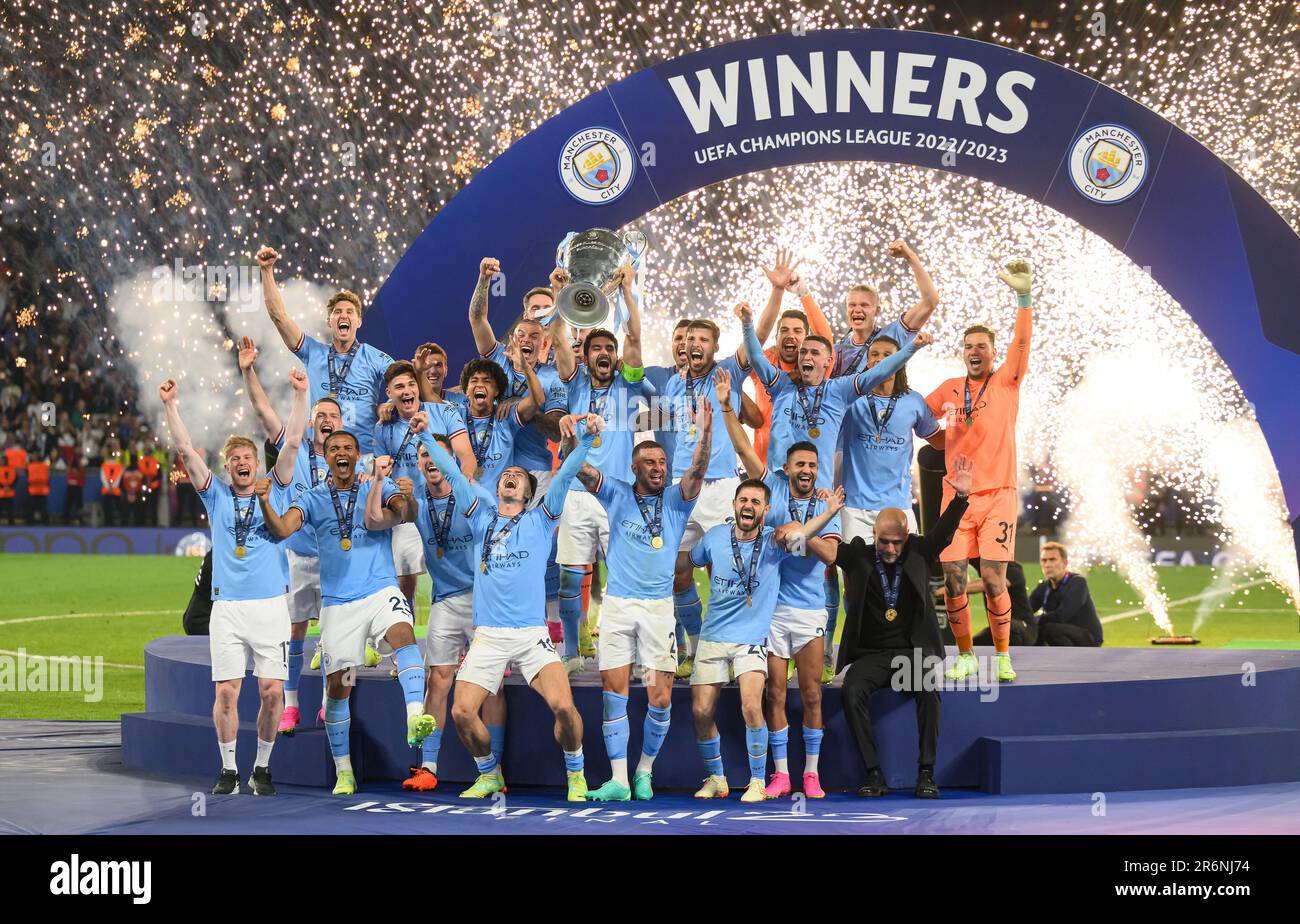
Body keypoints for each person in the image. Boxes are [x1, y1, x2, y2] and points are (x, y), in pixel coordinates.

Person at [413, 412, 600, 802]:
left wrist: (584, 440)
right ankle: (488, 773)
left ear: (529, 493)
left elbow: (564, 476)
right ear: (498, 487)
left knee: (565, 708)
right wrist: (428, 438)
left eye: (518, 475)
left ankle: (576, 773)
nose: (510, 475)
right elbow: (452, 473)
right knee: (462, 712)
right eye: (505, 474)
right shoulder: (481, 518)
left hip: (532, 637)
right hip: (488, 637)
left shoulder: (541, 520)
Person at [258, 431, 438, 796]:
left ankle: (414, 716)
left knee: (404, 633)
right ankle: (345, 772)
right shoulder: (312, 499)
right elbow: (281, 530)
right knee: (338, 686)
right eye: (334, 448)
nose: (341, 453)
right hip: (339, 604)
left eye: (348, 448)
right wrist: (264, 502)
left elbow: (407, 514)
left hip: (380, 589)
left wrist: (405, 497)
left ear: (358, 456)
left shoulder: (377, 486)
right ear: (325, 456)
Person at [159, 373, 306, 796]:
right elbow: (186, 450)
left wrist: (300, 394)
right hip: (227, 610)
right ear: (228, 467)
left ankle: (261, 767)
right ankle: (228, 771)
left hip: (270, 609)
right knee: (227, 693)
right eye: (236, 458)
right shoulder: (216, 495)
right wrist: (171, 405)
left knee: (272, 692)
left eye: (249, 457)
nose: (243, 463)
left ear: (257, 464)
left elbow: (294, 441)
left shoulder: (274, 489)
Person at [568, 395, 713, 802]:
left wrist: (705, 431)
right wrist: (573, 438)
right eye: (650, 463)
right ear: (634, 468)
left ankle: (644, 770)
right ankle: (619, 780)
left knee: (659, 696)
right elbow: (578, 469)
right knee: (613, 692)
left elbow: (698, 469)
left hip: (657, 613)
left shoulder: (675, 502)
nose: (659, 469)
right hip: (617, 609)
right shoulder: (614, 493)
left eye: (663, 463)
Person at [714, 368, 842, 799]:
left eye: (812, 465)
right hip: (770, 612)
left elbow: (831, 555)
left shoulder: (829, 506)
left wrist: (799, 531)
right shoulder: (773, 488)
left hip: (808, 612)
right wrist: (729, 406)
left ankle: (812, 773)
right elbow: (742, 446)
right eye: (800, 464)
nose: (806, 470)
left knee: (810, 696)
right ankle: (782, 773)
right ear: (787, 468)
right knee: (774, 695)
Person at [686, 477, 843, 803]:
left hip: (752, 640)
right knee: (701, 712)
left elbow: (805, 539)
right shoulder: (714, 537)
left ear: (766, 509)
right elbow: (692, 562)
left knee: (751, 705)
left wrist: (829, 514)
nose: (748, 506)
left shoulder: (776, 544)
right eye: (744, 500)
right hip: (713, 637)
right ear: (734, 504)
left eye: (756, 502)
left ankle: (758, 780)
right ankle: (717, 777)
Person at [836, 455, 974, 800]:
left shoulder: (919, 552)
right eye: (884, 541)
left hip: (911, 654)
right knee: (851, 691)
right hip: (872, 655)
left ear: (907, 536)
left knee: (929, 690)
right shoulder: (859, 555)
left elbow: (942, 535)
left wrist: (960, 499)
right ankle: (873, 772)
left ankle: (926, 773)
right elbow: (826, 549)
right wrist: (821, 514)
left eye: (897, 542)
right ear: (873, 535)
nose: (890, 548)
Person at [926, 260, 1034, 684]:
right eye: (969, 345)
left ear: (992, 352)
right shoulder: (949, 389)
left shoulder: (1007, 381)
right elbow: (917, 417)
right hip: (956, 498)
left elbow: (1022, 345)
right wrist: (939, 438)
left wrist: (1023, 299)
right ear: (962, 351)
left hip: (998, 495)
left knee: (991, 578)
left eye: (982, 346)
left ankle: (1003, 656)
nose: (975, 351)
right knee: (953, 577)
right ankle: (967, 655)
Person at [237, 335, 348, 733]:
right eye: (320, 413)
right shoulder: (293, 450)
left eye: (333, 415)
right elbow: (263, 409)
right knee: (295, 632)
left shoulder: (350, 457)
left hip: (338, 560)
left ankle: (327, 705)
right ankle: (292, 704)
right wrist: (248, 369)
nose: (326, 419)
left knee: (336, 637)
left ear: (342, 424)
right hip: (300, 559)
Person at [550, 263, 646, 674]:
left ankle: (631, 650)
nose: (604, 354)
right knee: (570, 580)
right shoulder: (574, 383)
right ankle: (572, 652)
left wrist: (628, 291)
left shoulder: (630, 384)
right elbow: (557, 342)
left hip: (619, 492)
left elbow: (635, 336)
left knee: (626, 578)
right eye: (596, 349)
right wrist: (560, 298)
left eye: (609, 349)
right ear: (585, 357)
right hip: (575, 494)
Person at [402, 435, 508, 792]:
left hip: (483, 600)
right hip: (445, 600)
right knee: (438, 679)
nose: (429, 460)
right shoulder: (417, 503)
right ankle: (428, 766)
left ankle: (497, 766)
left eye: (437, 454)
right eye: (423, 455)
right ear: (419, 464)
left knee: (492, 686)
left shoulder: (475, 498)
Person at [740, 301, 930, 489]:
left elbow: (879, 372)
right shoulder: (782, 384)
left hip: (819, 491)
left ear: (828, 361)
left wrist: (911, 348)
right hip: (779, 486)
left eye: (815, 353)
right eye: (804, 352)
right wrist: (747, 323)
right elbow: (756, 357)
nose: (807, 357)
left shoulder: (839, 390)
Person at [256, 245, 393, 455]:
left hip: (363, 460)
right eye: (337, 312)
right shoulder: (313, 352)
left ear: (359, 321)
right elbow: (279, 317)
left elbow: (404, 383)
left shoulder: (375, 357)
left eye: (350, 312)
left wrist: (390, 403)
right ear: (329, 321)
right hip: (322, 459)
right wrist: (266, 271)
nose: (343, 316)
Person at [373, 359, 476, 613]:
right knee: (405, 578)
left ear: (418, 387)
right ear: (389, 393)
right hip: (409, 510)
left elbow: (466, 457)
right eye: (399, 387)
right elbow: (383, 475)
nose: (406, 391)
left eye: (411, 384)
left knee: (462, 573)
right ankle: (403, 637)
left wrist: (463, 497)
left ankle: (464, 639)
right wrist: (397, 500)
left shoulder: (446, 412)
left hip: (448, 505)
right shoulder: (383, 427)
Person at [747, 248, 835, 462]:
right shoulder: (765, 360)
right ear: (776, 337)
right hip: (765, 467)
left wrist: (804, 294)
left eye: (797, 331)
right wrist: (777, 289)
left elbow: (826, 342)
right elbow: (753, 343)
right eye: (784, 330)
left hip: (806, 468)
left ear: (806, 338)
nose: (790, 336)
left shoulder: (815, 366)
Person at [829, 240, 940, 379]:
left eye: (864, 305)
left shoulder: (892, 334)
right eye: (852, 305)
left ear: (877, 310)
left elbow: (930, 301)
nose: (857, 310)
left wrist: (910, 256)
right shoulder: (836, 350)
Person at [1029, 542, 1103, 646]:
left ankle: (1068, 661)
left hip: (1088, 637)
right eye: (1044, 560)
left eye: (1052, 559)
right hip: (1062, 631)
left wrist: (1036, 620)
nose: (1047, 565)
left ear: (1065, 563)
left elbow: (1062, 615)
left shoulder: (1077, 582)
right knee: (1031, 630)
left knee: (1048, 629)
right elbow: (1026, 609)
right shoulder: (1044, 586)